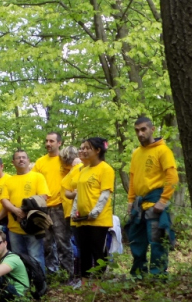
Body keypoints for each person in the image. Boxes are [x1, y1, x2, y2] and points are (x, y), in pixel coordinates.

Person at [127, 116, 179, 277]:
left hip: (155, 202)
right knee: (136, 240)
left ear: (152, 129)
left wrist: (163, 201)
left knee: (157, 242)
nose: (140, 133)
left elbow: (172, 177)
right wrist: (130, 201)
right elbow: (133, 178)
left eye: (143, 129)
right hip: (139, 204)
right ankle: (138, 274)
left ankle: (157, 276)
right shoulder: (136, 153)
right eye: (137, 130)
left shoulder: (163, 150)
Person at [71, 138, 115, 279]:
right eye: (82, 148)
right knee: (84, 251)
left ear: (97, 150)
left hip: (98, 219)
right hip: (82, 219)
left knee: (97, 251)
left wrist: (95, 212)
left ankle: (98, 281)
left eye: (87, 148)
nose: (83, 150)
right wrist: (74, 211)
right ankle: (85, 280)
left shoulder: (105, 169)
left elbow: (105, 193)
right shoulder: (84, 170)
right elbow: (78, 194)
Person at [34, 132, 74, 279]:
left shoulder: (65, 160)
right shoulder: (40, 162)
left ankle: (69, 274)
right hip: (43, 207)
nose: (48, 144)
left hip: (60, 206)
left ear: (59, 143)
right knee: (46, 243)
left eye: (51, 141)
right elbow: (33, 182)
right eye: (46, 141)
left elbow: (76, 177)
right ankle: (53, 274)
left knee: (63, 242)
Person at [0, 150, 49, 271]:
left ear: (28, 160)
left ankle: (39, 285)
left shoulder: (38, 177)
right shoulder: (9, 181)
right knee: (18, 258)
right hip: (14, 228)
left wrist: (24, 211)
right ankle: (24, 285)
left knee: (36, 256)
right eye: (18, 158)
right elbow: (4, 200)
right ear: (13, 162)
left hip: (34, 225)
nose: (21, 160)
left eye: (23, 157)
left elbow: (43, 197)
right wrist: (16, 211)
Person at [60, 146, 83, 282]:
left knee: (77, 244)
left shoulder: (79, 169)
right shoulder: (71, 172)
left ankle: (80, 274)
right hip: (70, 213)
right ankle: (77, 274)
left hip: (76, 212)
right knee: (75, 243)